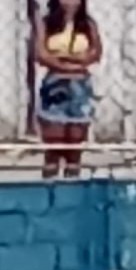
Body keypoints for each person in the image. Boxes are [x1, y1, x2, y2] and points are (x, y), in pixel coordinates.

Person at [34, 0, 102, 179]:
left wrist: (64, 57)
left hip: (80, 86)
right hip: (55, 85)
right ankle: (49, 188)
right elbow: (41, 54)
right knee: (54, 144)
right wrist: (71, 64)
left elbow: (95, 53)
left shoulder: (87, 24)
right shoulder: (46, 23)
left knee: (75, 144)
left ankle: (72, 185)